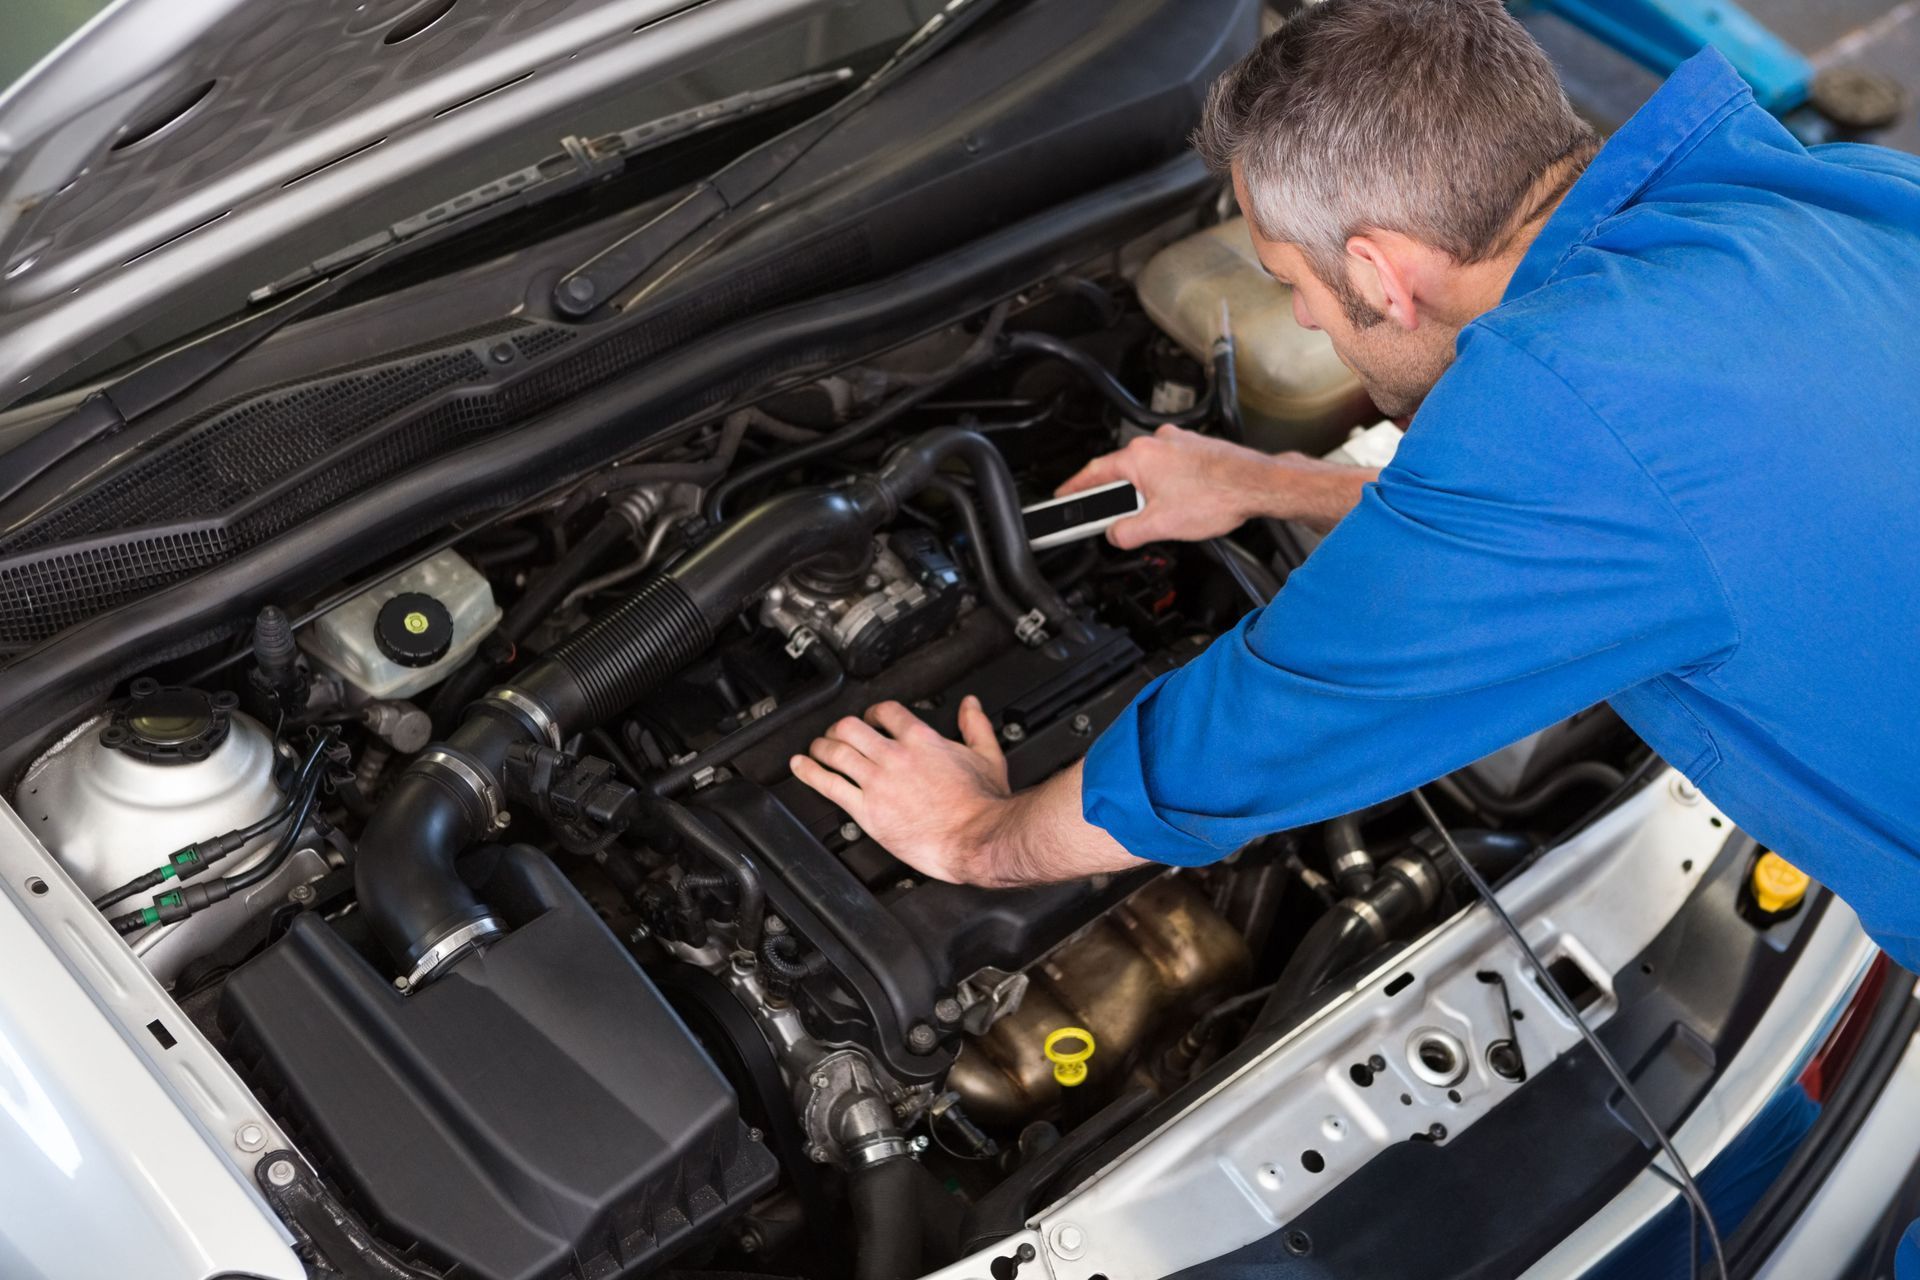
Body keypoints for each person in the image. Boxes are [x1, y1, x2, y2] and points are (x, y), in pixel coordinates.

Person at [792, 0, 1920, 1261]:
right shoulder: (1835, 199)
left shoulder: (1560, 417)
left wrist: (977, 835)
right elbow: (1642, 510)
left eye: (1293, 284)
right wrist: (1266, 482)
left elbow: (1250, 740)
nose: (1312, 324)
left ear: (1380, 267)